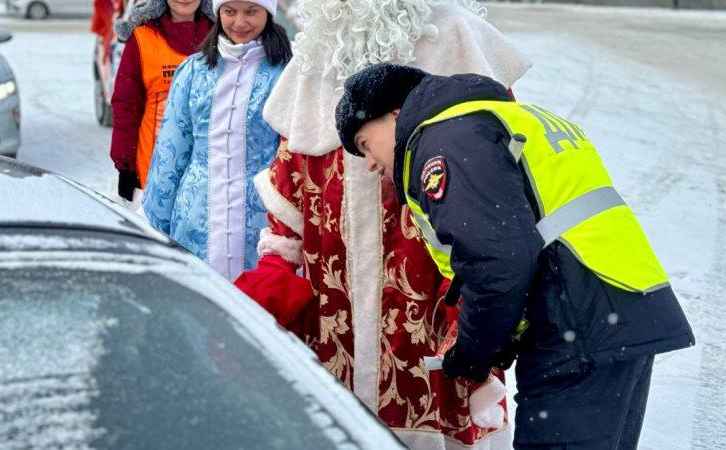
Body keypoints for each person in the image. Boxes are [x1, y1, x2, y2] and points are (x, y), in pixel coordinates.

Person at [334, 62, 696, 450]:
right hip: (619, 304)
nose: (370, 164)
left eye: (365, 144)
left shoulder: (446, 139)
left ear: (394, 112)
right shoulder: (499, 117)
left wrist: (472, 353)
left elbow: (496, 262)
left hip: (575, 323)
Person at [233, 0, 531, 448]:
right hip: (333, 320)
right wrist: (271, 281)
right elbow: (289, 201)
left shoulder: (457, 37)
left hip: (434, 313)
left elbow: (503, 193)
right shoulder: (316, 51)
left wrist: (477, 313)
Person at [142, 0, 292, 281]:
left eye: (251, 11)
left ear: (268, 12)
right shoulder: (193, 71)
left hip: (262, 224)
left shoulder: (288, 74)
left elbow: (295, 159)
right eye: (229, 12)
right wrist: (154, 228)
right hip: (195, 220)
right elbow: (170, 155)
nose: (239, 22)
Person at [110, 0, 215, 201]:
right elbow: (127, 107)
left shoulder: (223, 39)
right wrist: (125, 165)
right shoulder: (142, 39)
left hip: (211, 178)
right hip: (154, 174)